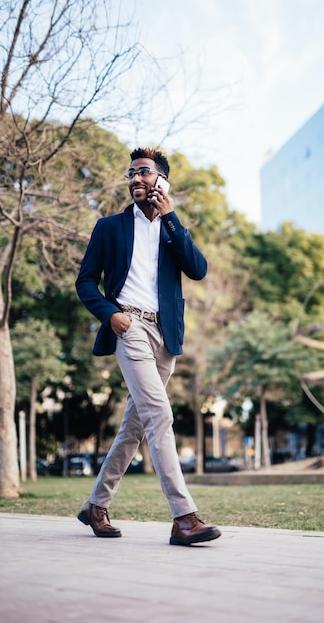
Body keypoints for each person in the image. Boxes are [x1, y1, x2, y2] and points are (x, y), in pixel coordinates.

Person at [75, 147, 221, 546]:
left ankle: (96, 506)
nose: (136, 178)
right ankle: (184, 517)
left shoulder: (173, 230)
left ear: (161, 180)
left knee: (134, 427)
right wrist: (110, 314)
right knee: (160, 416)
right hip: (129, 326)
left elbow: (198, 269)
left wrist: (171, 217)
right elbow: (85, 281)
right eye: (132, 173)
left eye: (144, 172)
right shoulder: (109, 227)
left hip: (165, 337)